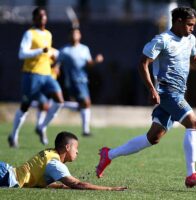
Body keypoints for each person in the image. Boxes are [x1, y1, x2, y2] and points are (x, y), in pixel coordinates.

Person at [95, 7, 196, 188]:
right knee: (193, 124)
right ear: (177, 21)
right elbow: (143, 63)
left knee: (152, 138)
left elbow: (194, 58)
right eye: (189, 24)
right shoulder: (162, 40)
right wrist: (152, 89)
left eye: (194, 25)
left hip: (178, 92)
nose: (192, 28)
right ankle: (191, 174)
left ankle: (109, 155)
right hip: (167, 92)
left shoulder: (191, 39)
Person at [8, 7, 64, 147]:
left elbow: (48, 53)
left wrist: (55, 59)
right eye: (39, 16)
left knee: (59, 100)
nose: (42, 18)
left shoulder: (48, 34)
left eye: (44, 16)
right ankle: (13, 135)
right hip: (31, 75)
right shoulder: (29, 34)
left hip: (47, 74)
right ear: (34, 19)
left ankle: (41, 127)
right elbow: (22, 54)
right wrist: (40, 50)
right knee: (25, 106)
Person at [0, 132, 127, 191]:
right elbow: (78, 184)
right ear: (67, 147)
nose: (77, 152)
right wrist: (110, 188)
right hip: (5, 176)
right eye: (76, 148)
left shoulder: (50, 153)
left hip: (5, 172)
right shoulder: (55, 163)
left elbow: (37, 180)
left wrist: (60, 185)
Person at [55, 28, 104, 136]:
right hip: (72, 81)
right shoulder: (64, 50)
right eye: (72, 33)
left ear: (80, 35)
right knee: (86, 103)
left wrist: (96, 60)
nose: (74, 35)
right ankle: (85, 130)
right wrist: (56, 69)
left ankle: (58, 105)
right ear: (69, 36)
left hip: (83, 80)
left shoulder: (84, 49)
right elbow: (57, 63)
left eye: (76, 33)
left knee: (84, 104)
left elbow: (89, 63)